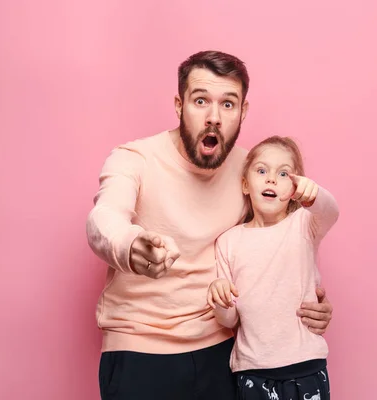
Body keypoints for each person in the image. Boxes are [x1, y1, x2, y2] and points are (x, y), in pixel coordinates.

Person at [86, 50, 334, 400]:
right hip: (140, 348)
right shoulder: (135, 159)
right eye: (201, 100)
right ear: (179, 105)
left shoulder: (254, 171)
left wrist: (310, 299)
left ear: (243, 111)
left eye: (228, 104)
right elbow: (104, 219)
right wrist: (130, 244)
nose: (213, 117)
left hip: (224, 352)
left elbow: (276, 244)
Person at [207, 136, 339, 400]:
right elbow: (229, 320)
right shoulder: (228, 242)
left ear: (295, 187)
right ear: (245, 184)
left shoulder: (304, 224)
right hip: (253, 370)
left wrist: (313, 195)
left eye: (283, 173)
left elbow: (331, 212)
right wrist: (220, 298)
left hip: (306, 365)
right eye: (261, 170)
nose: (271, 179)